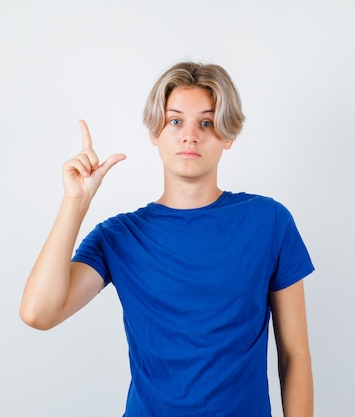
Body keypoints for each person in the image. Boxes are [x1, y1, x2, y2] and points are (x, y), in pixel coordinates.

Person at [20, 61, 315, 417]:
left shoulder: (268, 221)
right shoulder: (119, 236)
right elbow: (38, 313)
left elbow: (294, 354)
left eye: (206, 122)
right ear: (155, 132)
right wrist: (75, 202)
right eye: (175, 120)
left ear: (228, 135)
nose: (190, 135)